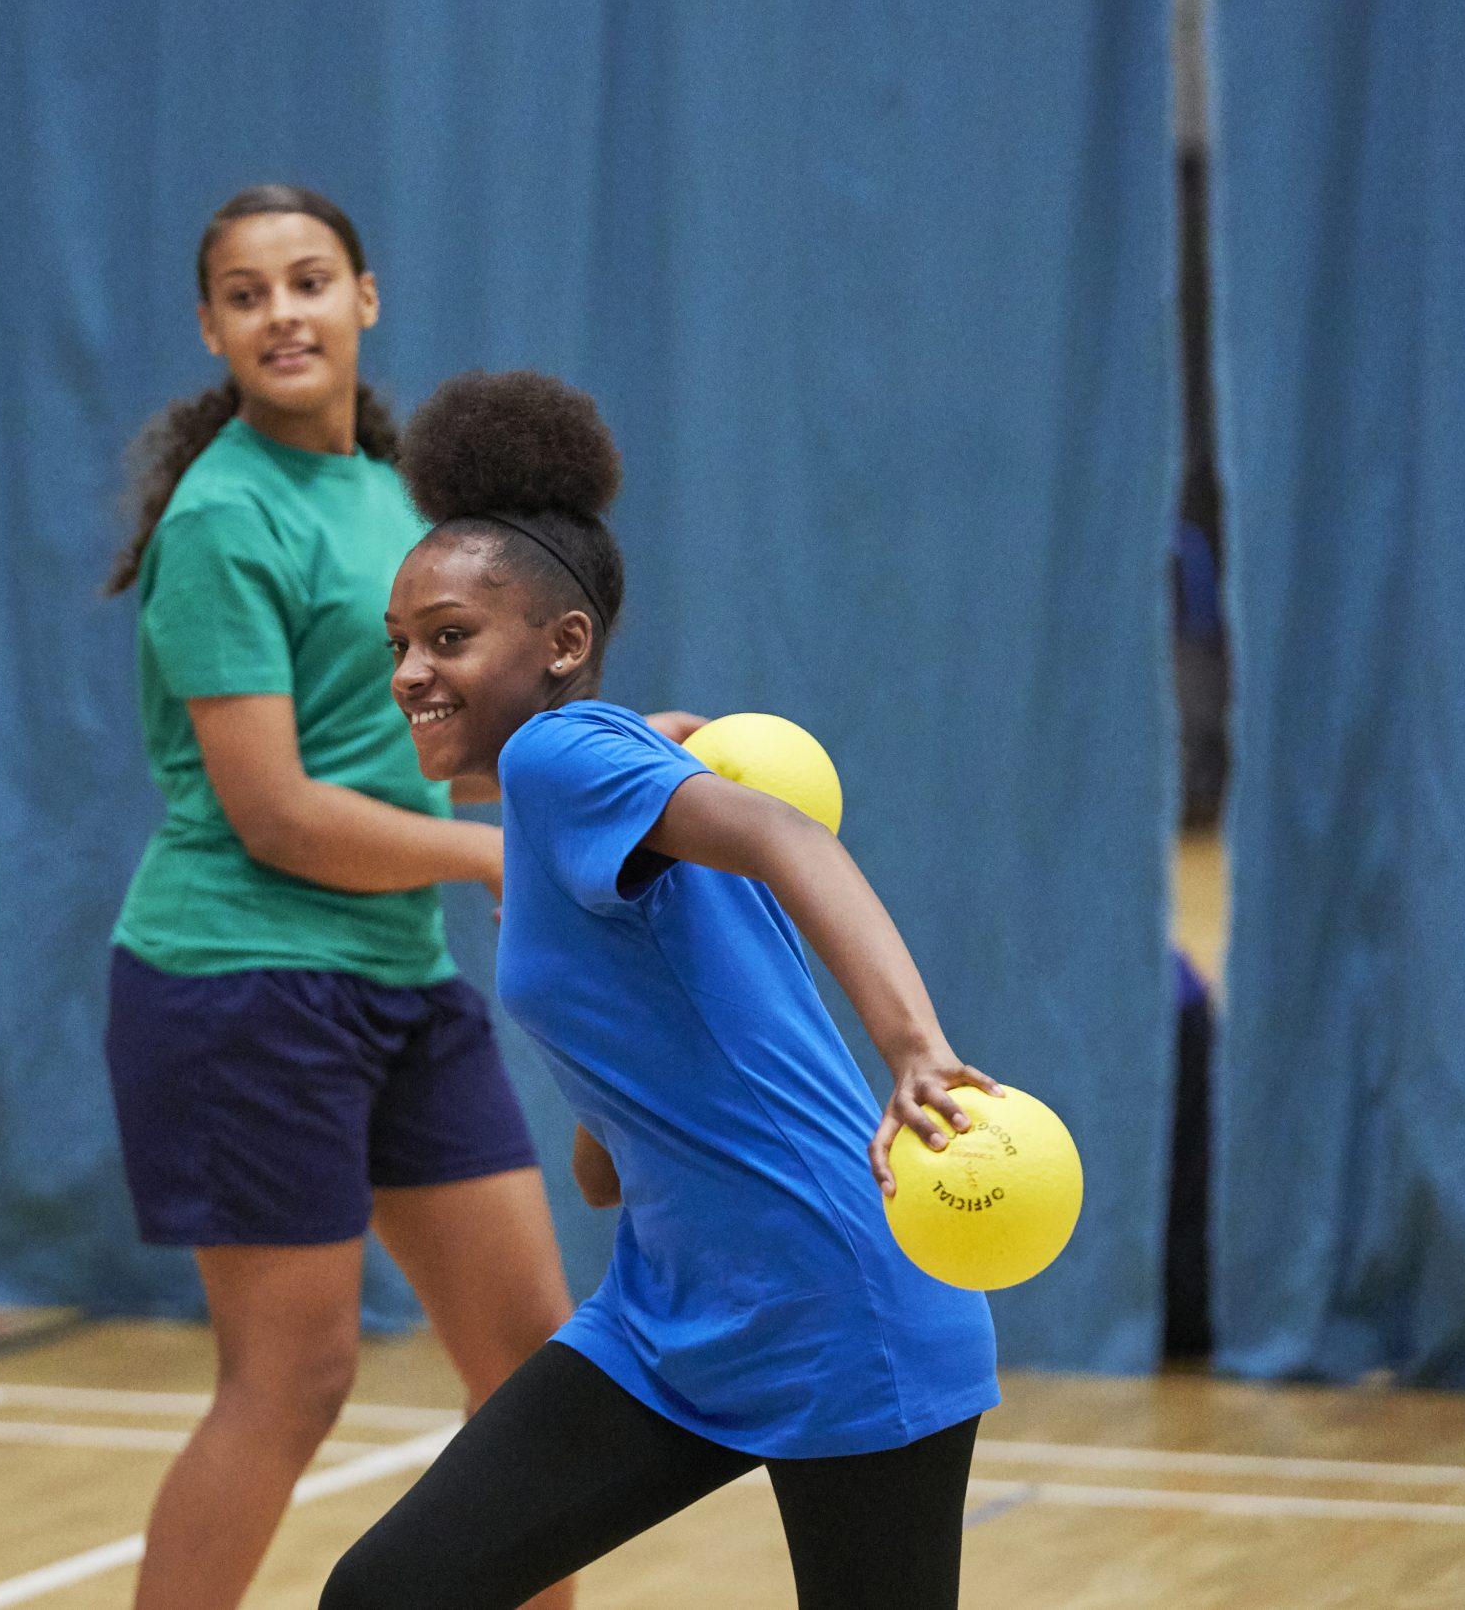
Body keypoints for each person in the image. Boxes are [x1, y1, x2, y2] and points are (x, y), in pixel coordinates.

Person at [323, 371, 1003, 1610]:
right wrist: (616, 1121)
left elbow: (795, 841)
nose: (411, 672)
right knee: (391, 1593)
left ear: (562, 646)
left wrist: (914, 1048)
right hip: (671, 1320)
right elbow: (614, 1142)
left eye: (450, 638)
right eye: (401, 645)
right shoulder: (607, 777)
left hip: (837, 1307)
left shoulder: (560, 754)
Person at [102, 190, 577, 1610]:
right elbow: (283, 813)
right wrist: (503, 858)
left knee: (540, 1373)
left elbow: (428, 761)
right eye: (247, 294)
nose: (282, 313)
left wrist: (613, 769)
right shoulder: (223, 517)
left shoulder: (398, 504)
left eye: (308, 281)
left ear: (366, 298)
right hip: (239, 983)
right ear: (212, 329)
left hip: (396, 976)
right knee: (295, 1374)